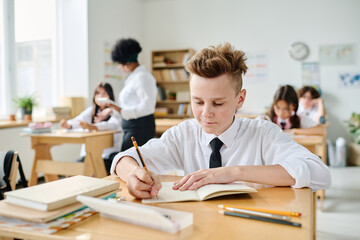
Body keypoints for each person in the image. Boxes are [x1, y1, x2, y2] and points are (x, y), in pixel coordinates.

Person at [110, 43, 331, 199]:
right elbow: (123, 158)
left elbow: (320, 174)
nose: (206, 113)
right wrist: (133, 175)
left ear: (240, 99)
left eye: (217, 104)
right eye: (197, 102)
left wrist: (233, 172)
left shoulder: (262, 132)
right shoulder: (184, 133)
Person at [97, 38, 157, 151]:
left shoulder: (142, 77)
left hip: (140, 127)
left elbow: (148, 106)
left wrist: (119, 109)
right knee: (127, 162)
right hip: (131, 127)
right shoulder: (133, 78)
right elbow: (130, 105)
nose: (119, 67)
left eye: (120, 64)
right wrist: (112, 110)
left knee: (129, 163)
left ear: (127, 63)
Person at [60, 82, 123, 173]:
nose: (100, 96)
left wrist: (92, 127)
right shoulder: (91, 111)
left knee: (92, 171)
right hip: (89, 155)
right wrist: (68, 125)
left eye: (104, 94)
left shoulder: (115, 112)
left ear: (110, 96)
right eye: (98, 93)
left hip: (108, 155)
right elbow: (77, 121)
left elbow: (112, 125)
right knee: (71, 171)